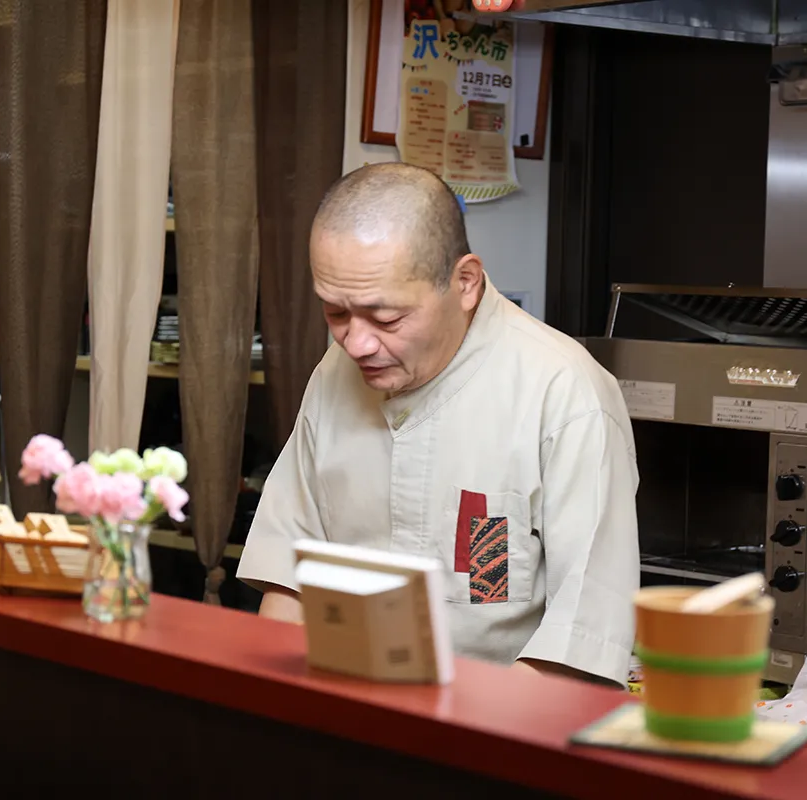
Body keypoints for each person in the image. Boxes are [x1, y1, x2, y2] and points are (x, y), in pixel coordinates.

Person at [236, 162, 639, 688]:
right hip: (343, 703)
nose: (356, 343)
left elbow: (581, 640)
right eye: (335, 313)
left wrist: (449, 728)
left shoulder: (565, 395)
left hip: (497, 721)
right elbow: (288, 581)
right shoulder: (336, 373)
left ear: (464, 282)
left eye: (386, 318)